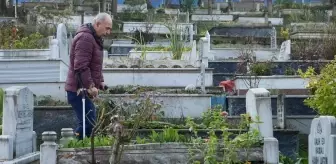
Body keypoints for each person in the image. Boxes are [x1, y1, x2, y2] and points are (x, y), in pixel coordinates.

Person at [65, 13, 112, 139]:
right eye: (107, 28)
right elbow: (81, 66)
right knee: (88, 122)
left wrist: (100, 82)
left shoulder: (94, 38)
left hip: (83, 89)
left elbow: (95, 65)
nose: (108, 32)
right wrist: (91, 86)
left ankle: (79, 146)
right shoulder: (85, 38)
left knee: (89, 121)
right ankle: (75, 146)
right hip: (78, 89)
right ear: (97, 24)